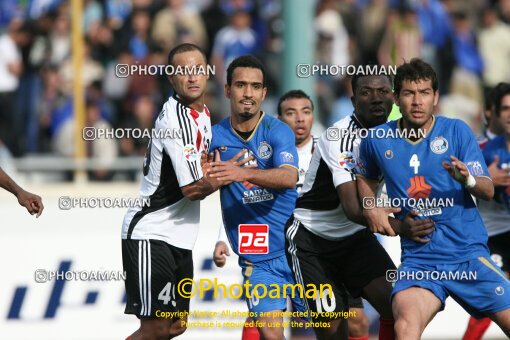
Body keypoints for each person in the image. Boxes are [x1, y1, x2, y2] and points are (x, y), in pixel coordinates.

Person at [356, 58, 510, 339]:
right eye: (409, 93)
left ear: (436, 97)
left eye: (424, 92)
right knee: (404, 326)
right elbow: (365, 179)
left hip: (468, 255)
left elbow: (487, 189)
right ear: (396, 98)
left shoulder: (457, 131)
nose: (417, 101)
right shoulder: (377, 140)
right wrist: (372, 208)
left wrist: (469, 180)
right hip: (419, 262)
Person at [285, 72, 433, 340]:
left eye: (383, 92)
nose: (376, 98)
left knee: (400, 307)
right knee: (334, 332)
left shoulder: (404, 134)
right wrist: (402, 227)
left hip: (355, 239)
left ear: (395, 98)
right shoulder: (338, 136)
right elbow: (354, 209)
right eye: (366, 92)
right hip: (313, 242)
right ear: (353, 101)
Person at [121, 43, 224, 340]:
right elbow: (192, 189)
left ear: (206, 73)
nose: (191, 77)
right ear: (171, 78)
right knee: (154, 329)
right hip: (151, 233)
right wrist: (229, 175)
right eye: (182, 71)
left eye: (196, 70)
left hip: (179, 236)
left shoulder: (202, 114)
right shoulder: (174, 119)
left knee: (175, 326)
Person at [208, 55, 306, 340]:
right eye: (240, 85)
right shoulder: (213, 137)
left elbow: (289, 177)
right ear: (227, 90)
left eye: (255, 86)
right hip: (258, 257)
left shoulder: (277, 131)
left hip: (299, 249)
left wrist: (240, 173)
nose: (248, 93)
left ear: (264, 93)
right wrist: (206, 178)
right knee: (271, 333)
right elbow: (199, 187)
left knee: (329, 329)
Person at [278, 89, 371, 340]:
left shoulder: (329, 149)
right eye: (291, 113)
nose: (300, 119)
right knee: (275, 321)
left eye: (306, 112)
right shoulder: (270, 156)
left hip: (331, 243)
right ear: (279, 119)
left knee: (356, 322)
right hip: (284, 245)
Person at [463, 83, 510, 340]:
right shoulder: (476, 147)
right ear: (490, 113)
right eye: (504, 109)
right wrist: (483, 180)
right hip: (489, 236)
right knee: (492, 299)